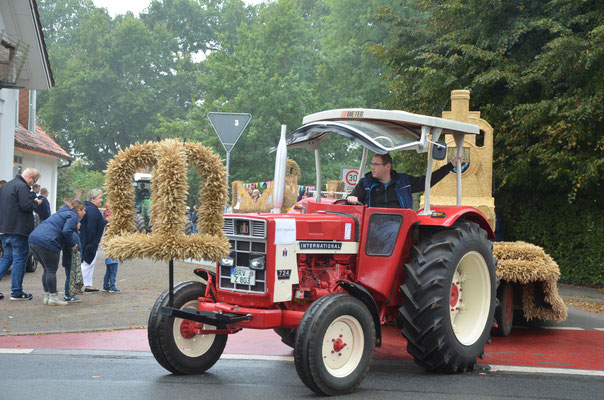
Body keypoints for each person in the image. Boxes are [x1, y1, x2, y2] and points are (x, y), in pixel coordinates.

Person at [346, 153, 463, 208]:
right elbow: (351, 199)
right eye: (371, 164)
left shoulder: (404, 181)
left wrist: (449, 166)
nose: (372, 167)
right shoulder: (365, 183)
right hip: (373, 229)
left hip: (400, 228)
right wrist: (351, 198)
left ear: (388, 166)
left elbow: (427, 182)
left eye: (376, 164)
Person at [28, 200, 85, 306]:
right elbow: (66, 231)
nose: (84, 213)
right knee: (51, 270)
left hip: (33, 239)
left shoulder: (61, 213)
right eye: (83, 210)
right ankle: (53, 297)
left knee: (46, 270)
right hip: (48, 242)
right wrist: (73, 244)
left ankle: (47, 296)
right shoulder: (72, 215)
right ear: (78, 210)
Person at [0, 168, 43, 300]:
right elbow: (26, 206)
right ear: (30, 177)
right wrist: (35, 202)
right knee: (19, 259)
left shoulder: (7, 186)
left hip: (4, 229)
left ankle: (16, 291)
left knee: (7, 258)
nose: (33, 185)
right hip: (18, 230)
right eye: (34, 181)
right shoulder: (22, 187)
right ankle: (16, 292)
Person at [79, 189, 106, 293]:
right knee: (86, 262)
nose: (102, 199)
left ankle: (88, 284)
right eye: (100, 197)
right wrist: (91, 242)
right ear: (92, 199)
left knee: (90, 263)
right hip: (90, 242)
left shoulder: (91, 208)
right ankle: (77, 284)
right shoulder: (92, 210)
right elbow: (91, 227)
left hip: (90, 241)